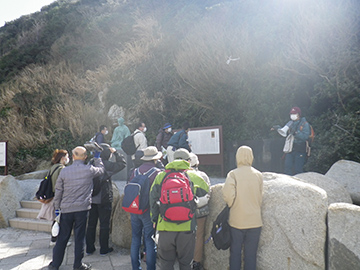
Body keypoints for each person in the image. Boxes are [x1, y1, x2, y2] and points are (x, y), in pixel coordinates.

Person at [150, 148, 209, 270]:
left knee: (166, 264)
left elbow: (152, 200)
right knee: (186, 264)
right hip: (187, 227)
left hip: (165, 226)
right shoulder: (193, 176)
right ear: (188, 161)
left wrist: (155, 220)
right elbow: (205, 191)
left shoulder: (161, 176)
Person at [48, 146, 105, 270]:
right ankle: (77, 265)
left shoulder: (64, 171)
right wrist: (97, 157)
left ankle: (55, 265)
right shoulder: (89, 170)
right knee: (79, 238)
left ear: (73, 157)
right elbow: (101, 170)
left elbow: (58, 191)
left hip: (66, 209)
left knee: (62, 237)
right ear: (85, 157)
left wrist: (57, 208)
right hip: (82, 209)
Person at [222, 146, 263, 270]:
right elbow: (260, 198)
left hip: (237, 221)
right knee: (251, 255)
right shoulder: (258, 174)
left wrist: (232, 205)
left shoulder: (233, 174)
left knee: (235, 253)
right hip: (255, 221)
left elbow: (228, 196)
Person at [86, 144, 126, 256]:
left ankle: (89, 248)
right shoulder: (107, 164)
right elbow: (122, 164)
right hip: (104, 198)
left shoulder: (91, 162)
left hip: (91, 198)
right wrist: (116, 153)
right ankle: (104, 248)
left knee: (91, 224)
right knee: (104, 224)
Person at [129, 146, 163, 270]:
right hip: (148, 210)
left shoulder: (135, 171)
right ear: (155, 159)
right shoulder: (157, 173)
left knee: (135, 239)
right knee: (149, 241)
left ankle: (135, 267)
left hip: (135, 209)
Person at [37, 149, 69, 245]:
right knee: (60, 220)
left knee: (56, 219)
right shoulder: (62, 169)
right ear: (63, 158)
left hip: (52, 196)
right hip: (58, 197)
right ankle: (58, 240)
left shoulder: (53, 167)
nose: (68, 159)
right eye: (67, 157)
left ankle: (54, 239)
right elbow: (59, 185)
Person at [188, 153, 210, 270]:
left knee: (185, 235)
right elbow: (209, 191)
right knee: (199, 236)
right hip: (201, 210)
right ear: (197, 163)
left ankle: (185, 260)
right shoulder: (203, 175)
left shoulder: (182, 174)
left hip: (185, 211)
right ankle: (196, 262)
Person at [276, 107, 311, 175]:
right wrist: (278, 128)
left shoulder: (305, 124)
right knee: (287, 167)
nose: (292, 115)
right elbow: (284, 131)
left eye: (294, 114)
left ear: (298, 114)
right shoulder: (290, 123)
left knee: (298, 169)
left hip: (300, 149)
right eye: (291, 114)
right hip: (291, 149)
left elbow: (305, 137)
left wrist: (296, 133)